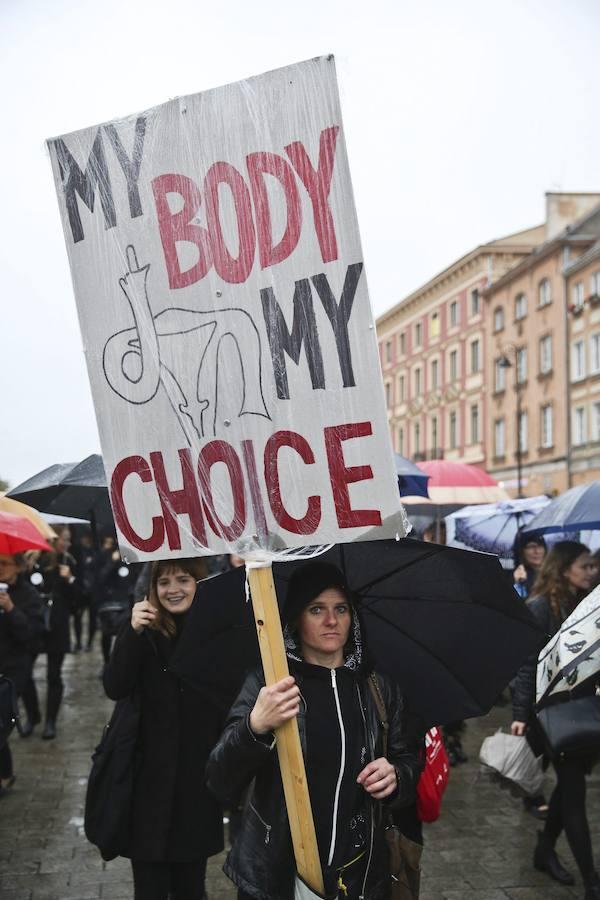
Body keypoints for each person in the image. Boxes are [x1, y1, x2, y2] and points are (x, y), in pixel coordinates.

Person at [206, 561, 423, 900]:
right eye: (316, 609)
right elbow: (220, 777)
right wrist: (255, 726)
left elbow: (409, 760)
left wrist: (396, 775)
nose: (332, 621)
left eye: (341, 609)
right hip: (278, 872)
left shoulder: (378, 689)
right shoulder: (269, 685)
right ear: (295, 618)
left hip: (360, 874)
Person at [103, 557, 225, 900]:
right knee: (150, 887)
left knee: (191, 887)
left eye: (183, 579)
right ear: (152, 589)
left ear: (199, 583)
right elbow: (114, 686)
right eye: (164, 582)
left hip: (196, 784)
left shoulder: (214, 633)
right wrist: (130, 632)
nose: (173, 590)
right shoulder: (144, 633)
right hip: (146, 786)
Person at [511, 541, 600, 899]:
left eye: (593, 567)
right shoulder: (538, 607)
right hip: (550, 714)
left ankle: (544, 849)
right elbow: (525, 664)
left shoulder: (587, 604)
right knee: (574, 792)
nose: (592, 572)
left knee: (566, 790)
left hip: (582, 711)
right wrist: (519, 716)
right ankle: (591, 879)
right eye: (585, 566)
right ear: (564, 569)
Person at [0, 553, 45, 788]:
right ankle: (6, 774)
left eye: (4, 563)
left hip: (15, 667)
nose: (0, 568)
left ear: (17, 567)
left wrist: (10, 608)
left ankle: (5, 775)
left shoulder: (29, 595)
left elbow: (31, 635)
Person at [512, 534, 547, 600]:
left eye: (540, 546)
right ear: (521, 551)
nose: (537, 551)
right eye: (531, 546)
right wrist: (518, 585)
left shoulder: (551, 574)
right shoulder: (514, 578)